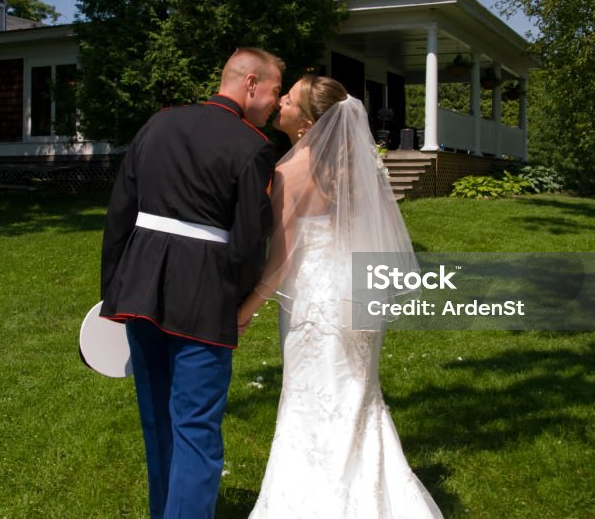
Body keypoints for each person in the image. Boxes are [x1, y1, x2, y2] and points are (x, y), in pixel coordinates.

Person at [238, 75, 444, 518]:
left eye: (289, 100)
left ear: (308, 123)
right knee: (357, 398)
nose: (281, 103)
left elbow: (282, 261)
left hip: (313, 302)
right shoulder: (355, 170)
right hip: (354, 295)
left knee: (310, 399)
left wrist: (246, 309)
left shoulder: (288, 172)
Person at [100, 47, 284, 519]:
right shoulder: (252, 145)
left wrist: (113, 291)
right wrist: (239, 304)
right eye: (273, 91)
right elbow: (248, 241)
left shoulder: (158, 122)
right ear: (249, 84)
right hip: (204, 299)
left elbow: (119, 212)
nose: (275, 104)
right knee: (196, 429)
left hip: (138, 289)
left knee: (158, 423)